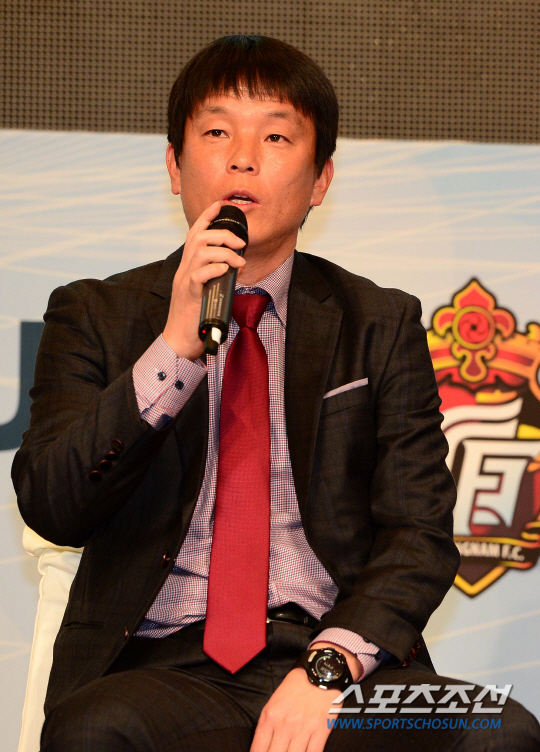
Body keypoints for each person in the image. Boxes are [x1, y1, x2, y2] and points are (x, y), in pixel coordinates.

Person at [12, 34, 540, 752]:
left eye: (277, 136)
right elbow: (54, 503)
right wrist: (175, 346)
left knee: (497, 730)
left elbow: (418, 535)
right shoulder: (95, 313)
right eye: (217, 132)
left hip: (343, 669)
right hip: (161, 667)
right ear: (173, 164)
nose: (243, 158)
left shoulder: (378, 322)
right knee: (92, 732)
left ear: (321, 179)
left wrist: (328, 670)